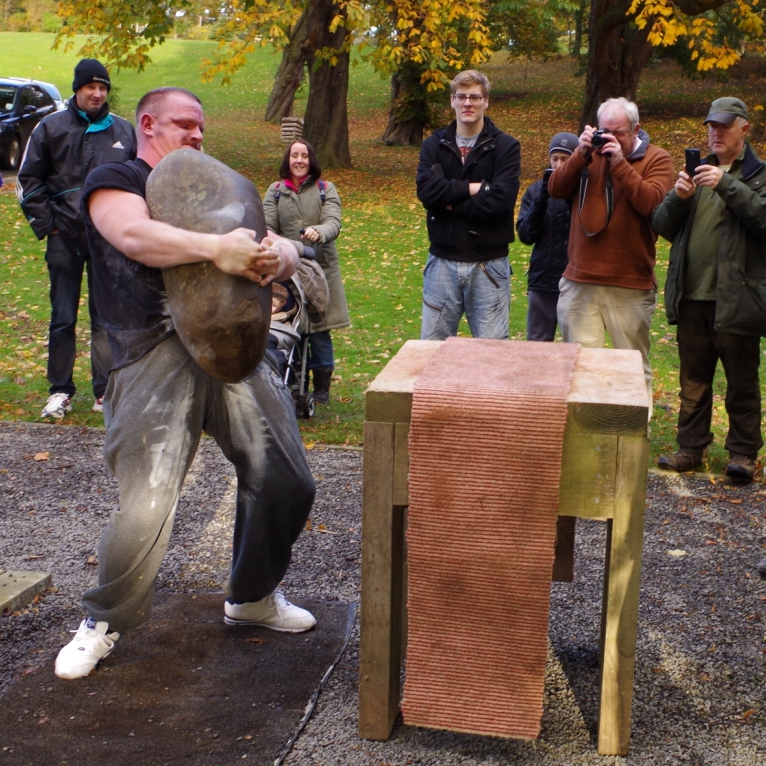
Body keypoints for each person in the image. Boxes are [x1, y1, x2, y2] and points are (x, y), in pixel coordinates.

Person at [53, 87, 317, 681]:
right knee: (147, 502)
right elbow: (133, 237)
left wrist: (281, 257)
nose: (197, 135)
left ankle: (251, 597)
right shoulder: (115, 177)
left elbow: (280, 246)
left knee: (287, 478)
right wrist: (216, 250)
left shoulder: (213, 187)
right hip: (146, 351)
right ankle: (103, 619)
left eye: (202, 127)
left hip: (229, 349)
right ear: (149, 124)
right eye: (184, 124)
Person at [16, 59, 137, 419]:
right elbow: (29, 180)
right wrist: (48, 225)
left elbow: (139, 182)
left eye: (103, 88)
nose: (97, 93)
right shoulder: (50, 127)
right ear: (77, 89)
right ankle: (60, 391)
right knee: (63, 317)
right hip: (63, 238)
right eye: (90, 87)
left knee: (105, 319)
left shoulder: (125, 132)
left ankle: (105, 391)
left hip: (108, 243)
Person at [653, 98, 766, 481]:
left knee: (741, 382)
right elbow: (662, 225)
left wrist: (727, 184)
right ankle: (691, 448)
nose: (714, 133)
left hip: (738, 297)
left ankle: (743, 454)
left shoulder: (758, 175)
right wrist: (678, 197)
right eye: (710, 127)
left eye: (723, 126)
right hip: (692, 296)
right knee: (693, 379)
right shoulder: (697, 173)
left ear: (744, 129)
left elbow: (762, 219)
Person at [548, 97, 674, 407]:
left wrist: (619, 163)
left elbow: (651, 204)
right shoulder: (588, 156)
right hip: (581, 280)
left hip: (629, 282)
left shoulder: (658, 159)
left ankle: (633, 437)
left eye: (618, 133)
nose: (611, 139)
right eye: (605, 131)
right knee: (580, 367)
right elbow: (555, 188)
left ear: (636, 129)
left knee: (630, 368)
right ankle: (585, 433)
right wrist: (580, 153)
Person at [415, 69, 521, 340]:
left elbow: (501, 201)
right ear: (452, 100)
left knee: (491, 355)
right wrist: (475, 188)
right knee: (431, 351)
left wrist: (447, 203)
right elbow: (427, 192)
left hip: (489, 265)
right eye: (461, 96)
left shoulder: (506, 147)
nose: (467, 103)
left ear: (486, 101)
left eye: (475, 97)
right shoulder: (434, 145)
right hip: (441, 263)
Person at [262, 140, 348, 404]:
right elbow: (266, 227)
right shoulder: (275, 191)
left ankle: (321, 391)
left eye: (304, 156)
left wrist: (318, 232)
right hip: (289, 272)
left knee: (321, 332)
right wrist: (289, 247)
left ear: (311, 160)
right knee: (292, 328)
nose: (299, 160)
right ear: (287, 160)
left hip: (322, 272)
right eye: (294, 156)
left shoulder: (325, 189)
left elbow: (333, 222)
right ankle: (295, 384)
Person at [516, 132, 578, 341]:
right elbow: (526, 235)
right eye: (555, 158)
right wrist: (543, 197)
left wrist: (568, 194)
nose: (558, 164)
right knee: (537, 348)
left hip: (577, 282)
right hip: (543, 281)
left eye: (565, 159)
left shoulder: (585, 190)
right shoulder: (535, 191)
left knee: (578, 345)